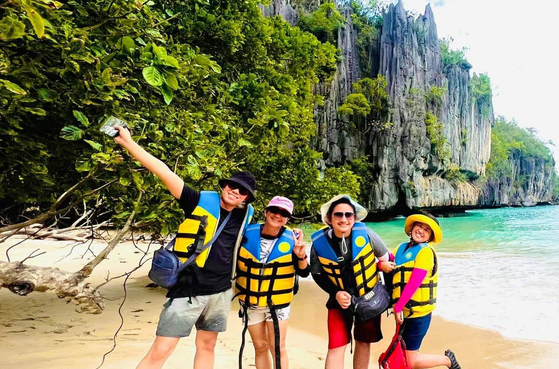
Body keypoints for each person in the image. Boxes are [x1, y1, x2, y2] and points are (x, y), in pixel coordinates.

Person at [113, 125, 256, 369]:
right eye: (233, 185)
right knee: (161, 350)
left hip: (220, 291)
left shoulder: (244, 217)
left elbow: (267, 233)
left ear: (246, 199)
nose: (236, 191)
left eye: (243, 191)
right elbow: (164, 172)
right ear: (224, 186)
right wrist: (128, 143)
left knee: (207, 346)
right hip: (188, 289)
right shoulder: (197, 200)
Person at [310, 194, 396, 369]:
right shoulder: (319, 244)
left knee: (363, 343)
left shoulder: (368, 235)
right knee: (336, 345)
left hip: (369, 299)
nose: (344, 219)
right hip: (338, 301)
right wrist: (335, 293)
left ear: (354, 218)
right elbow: (317, 274)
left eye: (348, 215)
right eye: (338, 215)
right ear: (329, 218)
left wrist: (393, 300)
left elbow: (388, 262)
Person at [234, 196, 310, 369]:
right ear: (266, 212)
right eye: (274, 210)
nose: (278, 215)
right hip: (250, 301)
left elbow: (304, 271)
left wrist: (301, 255)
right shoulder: (246, 233)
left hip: (278, 304)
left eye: (284, 213)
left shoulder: (292, 239)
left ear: (288, 219)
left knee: (277, 347)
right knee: (260, 346)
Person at [390, 214, 461, 369]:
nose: (421, 231)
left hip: (418, 314)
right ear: (412, 228)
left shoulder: (426, 252)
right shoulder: (401, 248)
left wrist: (399, 306)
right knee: (402, 355)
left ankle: (448, 361)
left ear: (430, 236)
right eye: (419, 226)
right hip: (403, 312)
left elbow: (415, 282)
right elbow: (388, 262)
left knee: (411, 360)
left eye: (426, 230)